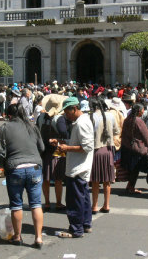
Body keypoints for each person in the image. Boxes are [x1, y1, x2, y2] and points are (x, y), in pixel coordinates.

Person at [0, 103, 45, 248]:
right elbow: (41, 147)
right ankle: (39, 238)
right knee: (36, 204)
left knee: (16, 205)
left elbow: (0, 152)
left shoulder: (5, 128)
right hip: (34, 167)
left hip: (15, 168)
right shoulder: (32, 126)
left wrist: (0, 164)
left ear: (8, 115)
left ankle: (17, 237)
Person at [56, 97, 94, 238]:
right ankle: (85, 224)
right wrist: (62, 142)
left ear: (75, 108)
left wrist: (67, 148)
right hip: (80, 167)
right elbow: (80, 142)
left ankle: (76, 229)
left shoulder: (81, 123)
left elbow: (87, 147)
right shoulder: (79, 122)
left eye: (67, 111)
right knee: (83, 198)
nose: (66, 114)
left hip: (78, 167)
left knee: (74, 200)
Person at [36, 94, 68, 211]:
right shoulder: (59, 118)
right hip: (57, 151)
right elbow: (64, 133)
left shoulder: (41, 117)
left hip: (44, 150)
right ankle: (59, 202)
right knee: (58, 179)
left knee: (46, 178)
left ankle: (47, 202)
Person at [89, 97, 119, 214]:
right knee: (107, 180)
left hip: (96, 150)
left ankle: (94, 206)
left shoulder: (91, 117)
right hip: (108, 150)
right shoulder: (110, 116)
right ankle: (106, 205)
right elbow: (116, 131)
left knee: (95, 181)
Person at [120, 103, 148, 194]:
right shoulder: (139, 121)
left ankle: (130, 186)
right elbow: (146, 136)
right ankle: (131, 187)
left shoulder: (127, 119)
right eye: (143, 110)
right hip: (137, 149)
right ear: (139, 111)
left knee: (132, 170)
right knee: (135, 170)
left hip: (127, 148)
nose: (143, 111)